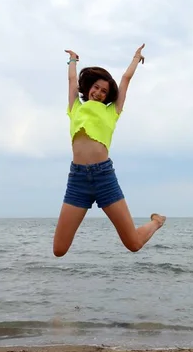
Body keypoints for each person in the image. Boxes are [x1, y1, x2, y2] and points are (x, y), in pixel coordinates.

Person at [53, 44, 166, 257]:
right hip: (78, 180)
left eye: (104, 91)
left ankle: (157, 221)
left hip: (104, 177)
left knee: (133, 244)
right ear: (88, 88)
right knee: (59, 250)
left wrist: (136, 58)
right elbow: (71, 81)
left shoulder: (112, 111)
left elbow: (125, 79)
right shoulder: (75, 107)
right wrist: (73, 60)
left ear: (108, 96)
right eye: (96, 87)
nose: (98, 93)